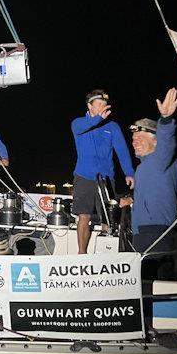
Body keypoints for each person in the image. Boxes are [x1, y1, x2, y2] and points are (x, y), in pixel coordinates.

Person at [71, 89, 135, 254]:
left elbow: (122, 150)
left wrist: (129, 172)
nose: (103, 107)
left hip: (106, 178)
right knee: (83, 216)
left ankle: (107, 254)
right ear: (89, 106)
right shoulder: (78, 123)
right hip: (84, 176)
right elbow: (82, 127)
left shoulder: (112, 127)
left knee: (108, 217)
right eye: (99, 104)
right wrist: (98, 118)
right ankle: (81, 253)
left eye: (105, 105)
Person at [120, 88, 177, 255]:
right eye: (133, 139)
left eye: (140, 138)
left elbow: (167, 143)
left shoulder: (159, 159)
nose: (134, 142)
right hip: (148, 230)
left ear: (156, 142)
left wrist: (166, 119)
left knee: (152, 277)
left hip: (153, 232)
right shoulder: (148, 166)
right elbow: (157, 190)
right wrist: (132, 201)